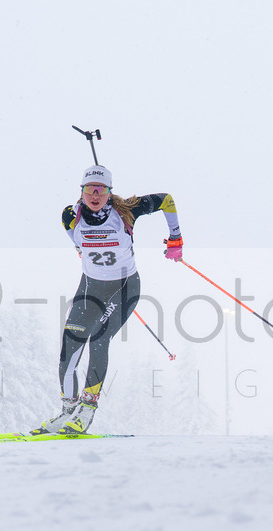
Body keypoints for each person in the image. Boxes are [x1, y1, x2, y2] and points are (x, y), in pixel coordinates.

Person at [31, 164, 184, 435]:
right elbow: (78, 246)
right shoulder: (70, 215)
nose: (95, 195)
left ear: (110, 192)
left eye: (101, 190)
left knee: (99, 338)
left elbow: (167, 200)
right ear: (81, 192)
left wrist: (176, 238)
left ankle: (87, 409)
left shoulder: (127, 210)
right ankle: (67, 412)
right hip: (90, 288)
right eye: (89, 189)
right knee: (70, 345)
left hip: (124, 288)